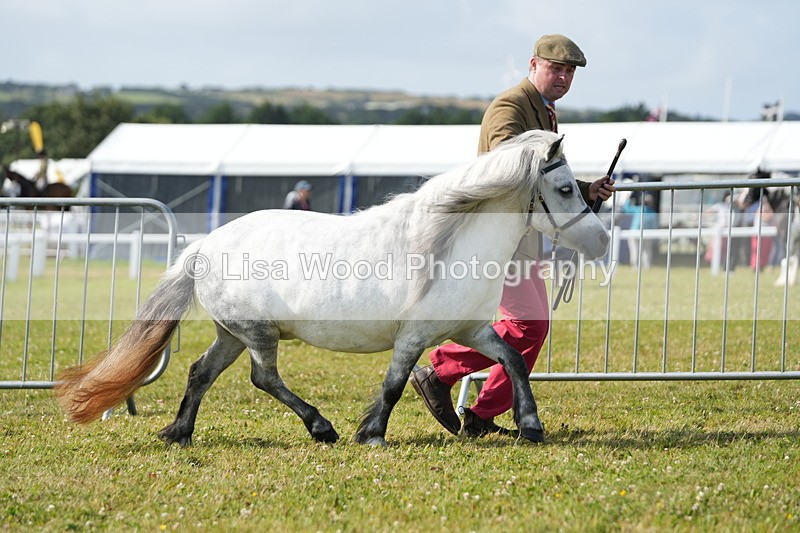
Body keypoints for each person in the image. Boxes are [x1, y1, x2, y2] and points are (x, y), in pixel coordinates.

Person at [410, 34, 615, 437]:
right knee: (526, 326)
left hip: (518, 239)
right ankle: (440, 373)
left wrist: (586, 189)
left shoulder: (544, 110)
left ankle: (480, 412)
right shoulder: (510, 105)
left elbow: (545, 173)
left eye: (570, 71)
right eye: (556, 68)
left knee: (533, 326)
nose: (563, 77)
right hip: (496, 238)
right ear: (533, 64)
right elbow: (512, 168)